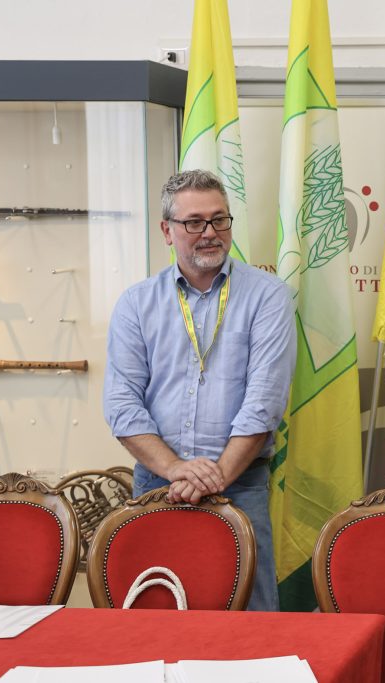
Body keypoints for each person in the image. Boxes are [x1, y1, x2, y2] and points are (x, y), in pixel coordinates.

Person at [103, 169, 295, 612]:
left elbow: (264, 403)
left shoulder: (268, 297)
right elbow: (122, 404)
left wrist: (215, 477)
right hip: (156, 485)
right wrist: (175, 470)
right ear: (166, 230)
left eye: (219, 219)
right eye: (194, 222)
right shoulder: (136, 303)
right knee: (155, 618)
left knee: (252, 624)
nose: (209, 232)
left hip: (240, 486)